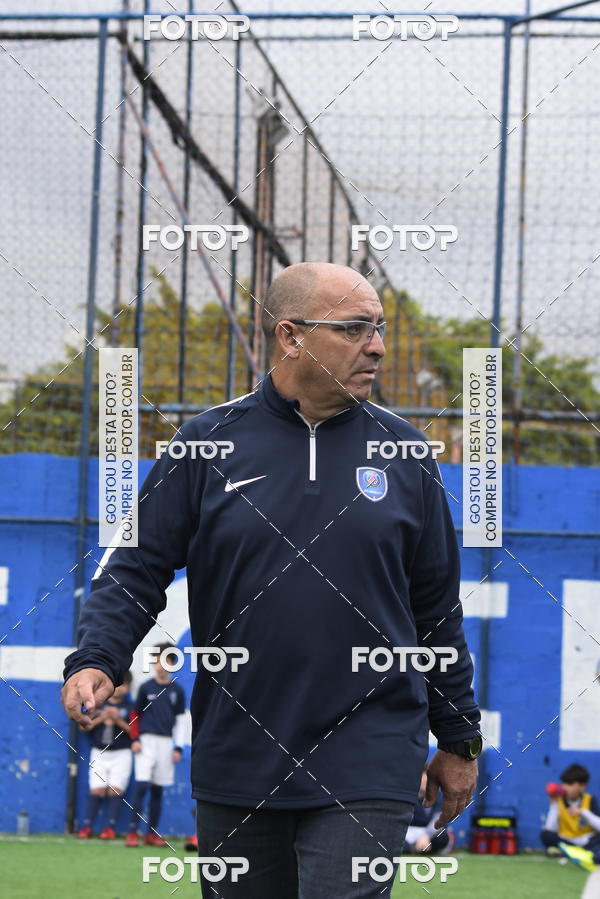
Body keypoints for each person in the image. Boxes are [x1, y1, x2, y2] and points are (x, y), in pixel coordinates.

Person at [62, 262, 481, 898]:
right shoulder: (204, 445)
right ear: (290, 336)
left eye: (380, 328)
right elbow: (135, 567)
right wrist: (98, 656)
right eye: (355, 328)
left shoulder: (407, 456)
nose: (378, 345)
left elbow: (437, 612)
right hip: (239, 751)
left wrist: (458, 737)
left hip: (370, 750)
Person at [125, 643, 186, 847]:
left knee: (158, 789)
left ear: (172, 663)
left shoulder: (177, 690)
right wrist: (134, 739)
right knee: (141, 786)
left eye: (165, 660)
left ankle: (151, 834)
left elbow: (180, 721)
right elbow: (135, 715)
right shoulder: (145, 688)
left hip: (166, 743)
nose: (160, 664)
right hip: (145, 742)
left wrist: (178, 747)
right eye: (157, 659)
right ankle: (132, 832)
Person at [77, 670, 134, 840]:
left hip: (122, 753)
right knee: (97, 790)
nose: (119, 688)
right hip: (99, 752)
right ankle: (86, 827)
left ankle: (109, 828)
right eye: (116, 684)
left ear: (129, 687)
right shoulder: (97, 704)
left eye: (123, 684)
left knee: (115, 790)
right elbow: (83, 727)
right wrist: (101, 718)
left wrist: (117, 720)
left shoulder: (130, 707)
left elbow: (135, 732)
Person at [540, 763, 600, 871]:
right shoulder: (559, 800)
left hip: (587, 841)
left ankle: (585, 854)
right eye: (564, 783)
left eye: (570, 783)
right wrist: (554, 805)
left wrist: (583, 812)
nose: (565, 787)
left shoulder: (590, 799)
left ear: (582, 786)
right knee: (545, 835)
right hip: (567, 842)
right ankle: (571, 852)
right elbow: (550, 829)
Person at [403, 764, 454, 855]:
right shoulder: (406, 795)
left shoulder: (439, 797)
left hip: (428, 832)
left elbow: (438, 820)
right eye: (422, 778)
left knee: (442, 837)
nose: (424, 781)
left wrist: (426, 835)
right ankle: (413, 848)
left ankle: (419, 848)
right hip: (407, 831)